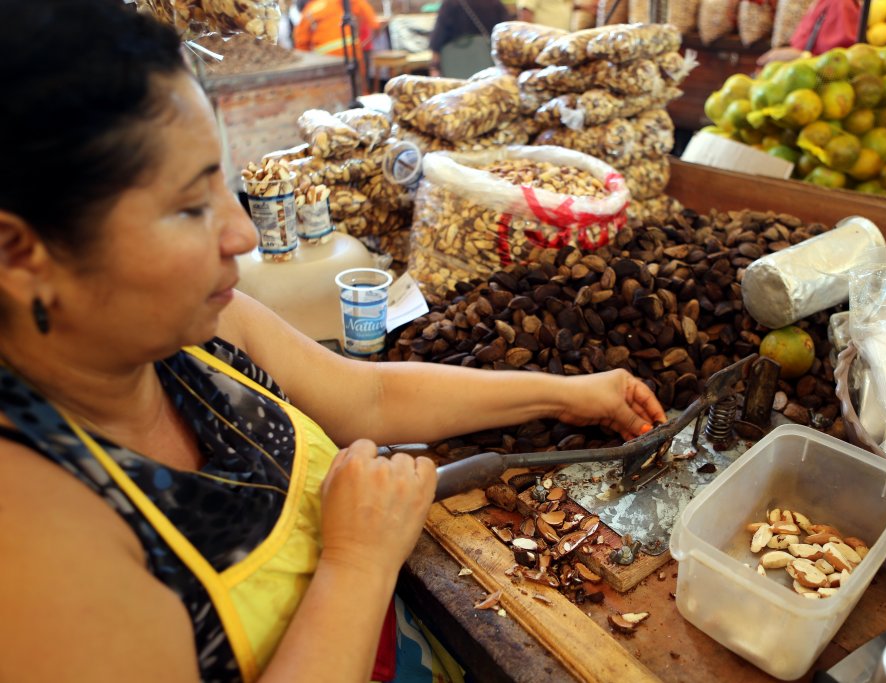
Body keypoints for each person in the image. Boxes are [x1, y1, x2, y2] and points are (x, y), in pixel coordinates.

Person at [0, 3, 667, 682]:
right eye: (190, 207)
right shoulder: (31, 549)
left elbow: (370, 393)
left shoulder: (191, 333)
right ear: (19, 253)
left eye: (223, 186)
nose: (244, 235)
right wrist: (358, 562)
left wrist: (574, 394)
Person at [293, 0, 380, 92]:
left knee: (336, 91)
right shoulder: (331, 2)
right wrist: (373, 23)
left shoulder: (306, 14)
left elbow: (301, 46)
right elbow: (359, 3)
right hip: (351, 50)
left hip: (328, 59)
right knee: (359, 86)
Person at [428, 0, 510, 78]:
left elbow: (438, 39)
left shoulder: (450, 3)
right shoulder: (493, 2)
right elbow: (507, 34)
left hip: (456, 68)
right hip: (489, 69)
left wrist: (434, 68)